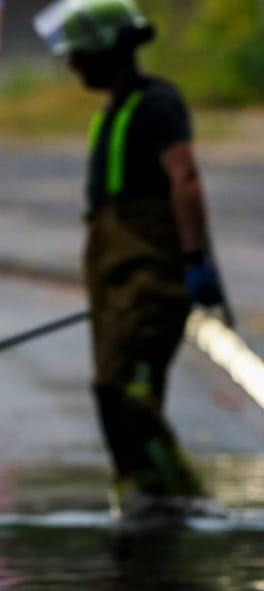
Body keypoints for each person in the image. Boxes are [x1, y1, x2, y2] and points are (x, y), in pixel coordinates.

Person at [36, 0, 226, 518]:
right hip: (117, 277)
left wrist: (195, 259)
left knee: (123, 392)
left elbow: (184, 176)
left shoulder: (158, 102)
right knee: (120, 391)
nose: (73, 65)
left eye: (80, 55)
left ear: (110, 51)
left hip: (150, 276)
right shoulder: (113, 111)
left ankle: (182, 498)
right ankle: (142, 499)